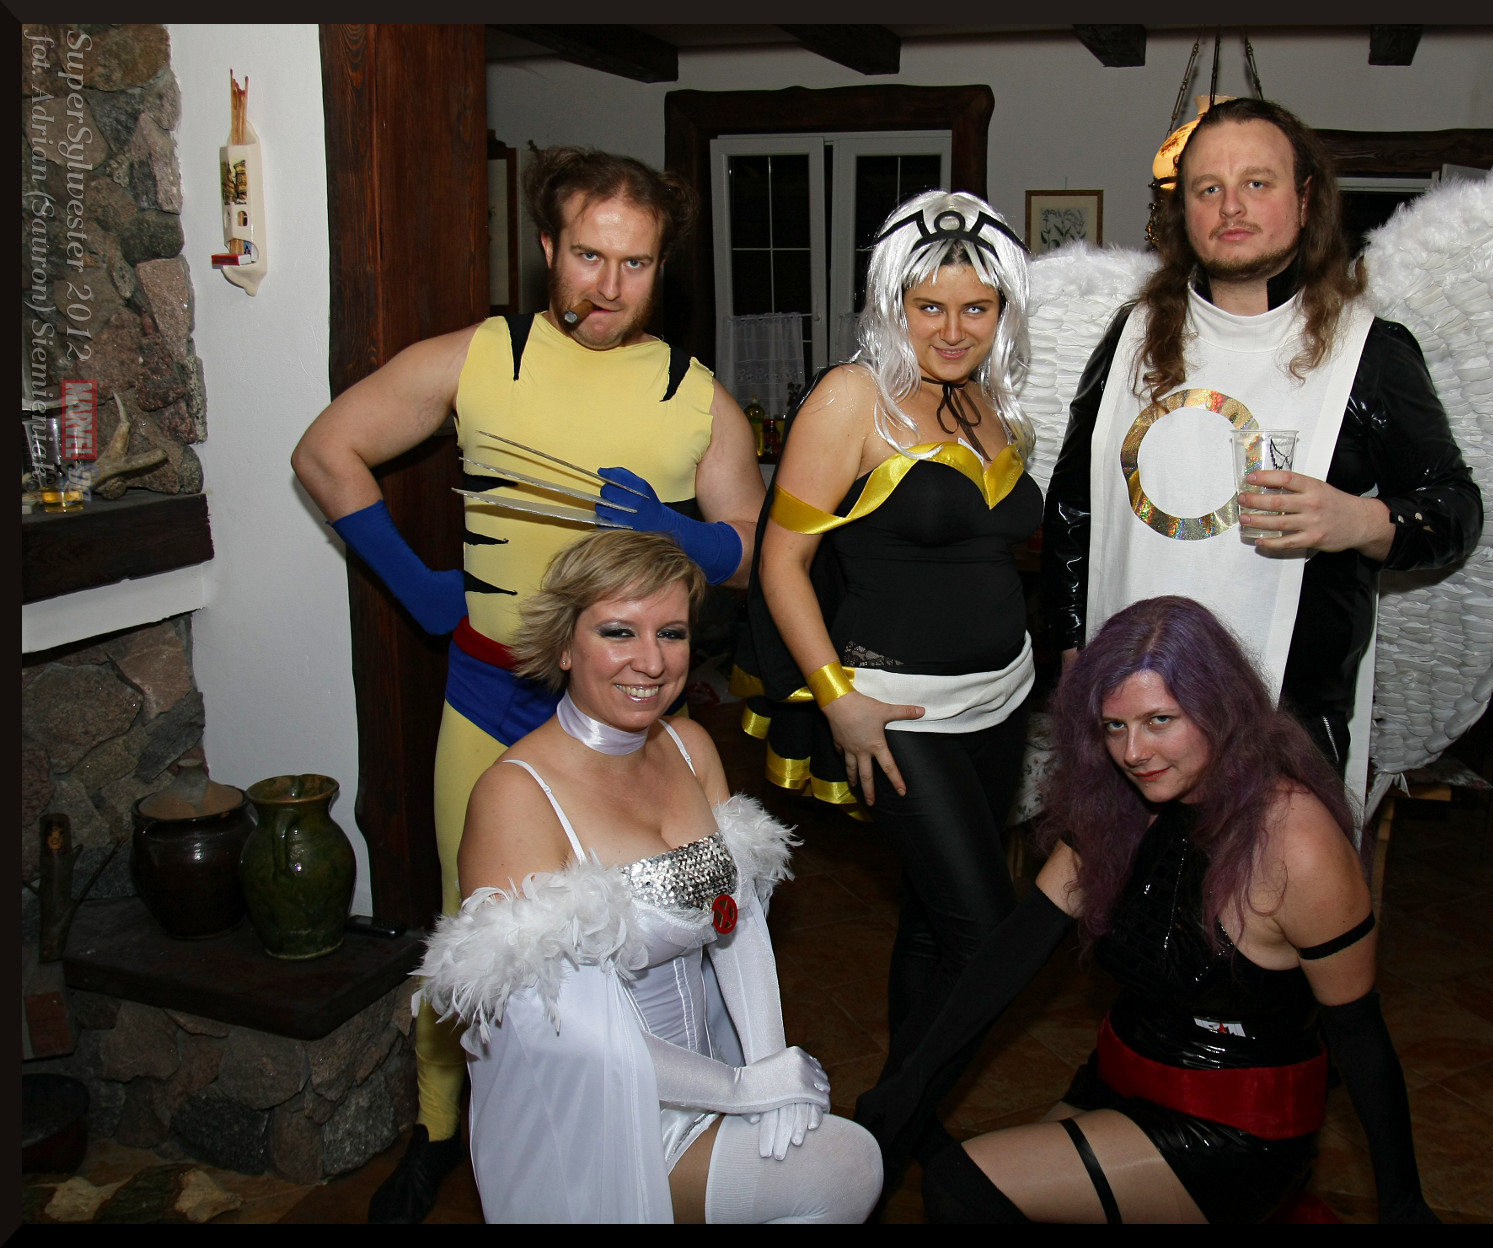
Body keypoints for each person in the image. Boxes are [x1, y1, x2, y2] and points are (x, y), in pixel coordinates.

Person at [291, 148, 766, 1222]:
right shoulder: (480, 357)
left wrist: (683, 531)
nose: (609, 284)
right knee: (471, 934)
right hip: (490, 695)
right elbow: (326, 451)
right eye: (589, 255)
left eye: (635, 263)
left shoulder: (694, 397)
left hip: (635, 716)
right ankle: (440, 1132)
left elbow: (748, 546)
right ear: (548, 248)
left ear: (662, 268)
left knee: (666, 924)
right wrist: (414, 583)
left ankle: (657, 1111)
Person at [856, 596, 1437, 1223]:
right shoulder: (1121, 806)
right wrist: (907, 1086)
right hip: (1119, 1082)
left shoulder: (1296, 841)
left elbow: (1360, 1034)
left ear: (1220, 708)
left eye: (1160, 720)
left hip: (1233, 1129)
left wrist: (1403, 1203)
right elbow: (1008, 957)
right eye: (1114, 727)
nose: (1133, 752)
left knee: (961, 1187)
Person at [418, 529, 882, 1223]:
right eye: (618, 632)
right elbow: (559, 1031)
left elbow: (735, 922)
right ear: (565, 645)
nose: (652, 661)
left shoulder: (689, 746)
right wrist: (740, 1089)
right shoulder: (515, 795)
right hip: (596, 1116)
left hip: (713, 1073)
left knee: (831, 1150)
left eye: (671, 633)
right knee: (846, 1165)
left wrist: (769, 1067)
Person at [1041, 98, 1481, 790]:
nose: (1231, 206)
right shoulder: (1129, 338)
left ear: (1305, 201)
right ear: (1184, 211)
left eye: (1257, 182)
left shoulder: (1369, 353)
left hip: (1288, 721)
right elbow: (1073, 509)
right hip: (1127, 713)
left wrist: (1359, 520)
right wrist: (1073, 653)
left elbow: (1456, 510)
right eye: (1207, 189)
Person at [732, 190, 1039, 1115]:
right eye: (929, 306)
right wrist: (836, 697)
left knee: (935, 923)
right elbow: (781, 562)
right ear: (891, 304)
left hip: (1003, 702)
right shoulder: (851, 397)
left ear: (1003, 311)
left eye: (976, 307)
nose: (952, 329)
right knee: (989, 936)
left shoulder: (989, 399)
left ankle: (907, 1125)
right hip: (899, 714)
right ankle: (890, 1127)